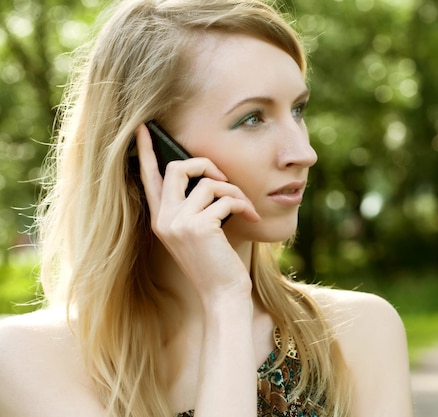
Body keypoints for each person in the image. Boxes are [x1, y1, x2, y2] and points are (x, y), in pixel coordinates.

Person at [0, 0, 413, 416]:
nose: (303, 152)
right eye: (252, 118)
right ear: (148, 151)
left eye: (298, 109)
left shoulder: (359, 335)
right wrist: (226, 302)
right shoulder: (31, 357)